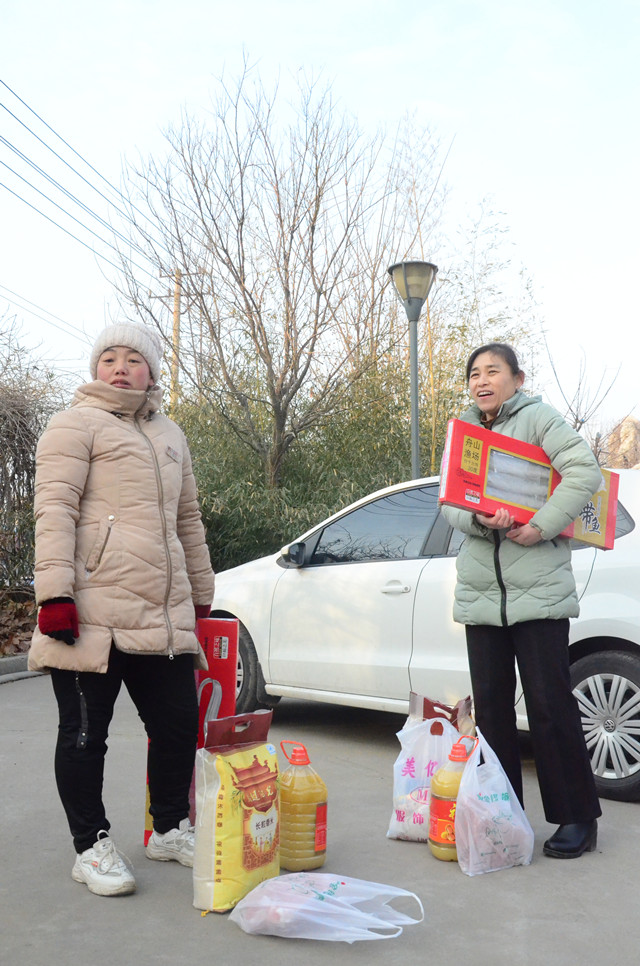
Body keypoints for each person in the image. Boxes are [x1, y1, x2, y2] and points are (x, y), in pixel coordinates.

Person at [29, 322, 215, 896]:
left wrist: (202, 591)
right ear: (95, 368)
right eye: (108, 357)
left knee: (178, 725)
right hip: (91, 614)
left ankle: (169, 829)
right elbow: (54, 509)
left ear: (151, 371)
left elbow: (188, 519)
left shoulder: (170, 434)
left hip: (160, 615)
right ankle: (91, 846)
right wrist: (54, 595)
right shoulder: (73, 424)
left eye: (133, 359)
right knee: (86, 735)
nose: (120, 368)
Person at [441, 342, 602, 859]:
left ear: (517, 378)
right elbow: (449, 501)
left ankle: (577, 818)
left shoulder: (538, 419)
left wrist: (540, 526)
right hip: (482, 596)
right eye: (474, 374)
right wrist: (477, 517)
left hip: (539, 594)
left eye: (493, 371)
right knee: (491, 712)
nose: (481, 381)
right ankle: (502, 818)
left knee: (550, 706)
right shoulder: (462, 431)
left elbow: (585, 471)